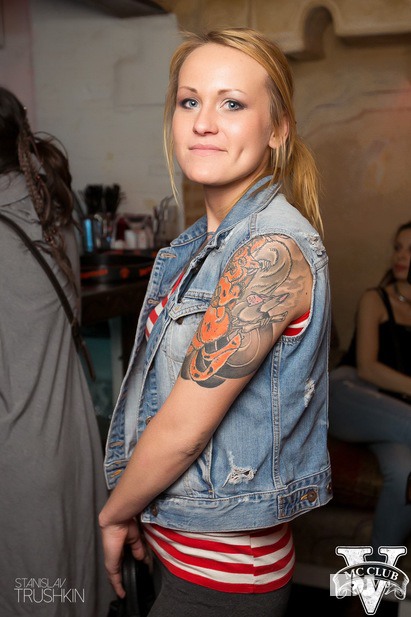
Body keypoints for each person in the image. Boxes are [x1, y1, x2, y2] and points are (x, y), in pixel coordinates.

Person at [99, 28, 332, 617]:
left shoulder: (268, 251)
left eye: (232, 103)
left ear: (277, 129)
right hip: (180, 551)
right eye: (189, 101)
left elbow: (183, 431)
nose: (203, 122)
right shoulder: (196, 246)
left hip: (223, 575)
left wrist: (113, 513)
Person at [0, 87, 114, 616]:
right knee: (66, 591)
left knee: (29, 599)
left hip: (16, 461)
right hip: (73, 447)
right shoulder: (55, 217)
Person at [329, 221, 411, 553]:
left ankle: (375, 575)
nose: (401, 256)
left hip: (391, 414)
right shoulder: (375, 299)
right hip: (347, 394)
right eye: (398, 248)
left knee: (404, 474)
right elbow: (367, 367)